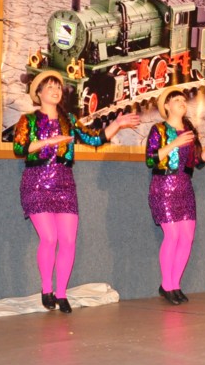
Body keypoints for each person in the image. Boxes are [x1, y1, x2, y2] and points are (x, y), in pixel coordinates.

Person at [13, 70, 140, 313]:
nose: (55, 90)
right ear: (38, 93)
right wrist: (48, 142)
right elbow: (20, 148)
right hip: (37, 183)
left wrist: (117, 124)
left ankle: (61, 293)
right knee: (49, 238)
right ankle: (46, 289)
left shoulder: (69, 120)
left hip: (64, 183)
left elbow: (94, 139)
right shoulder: (28, 120)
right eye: (50, 86)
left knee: (69, 240)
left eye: (58, 87)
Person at [146, 87, 205, 305]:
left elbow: (196, 161)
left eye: (183, 99)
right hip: (164, 186)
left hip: (185, 187)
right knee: (172, 236)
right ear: (167, 106)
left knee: (187, 237)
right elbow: (151, 159)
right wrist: (174, 144)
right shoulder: (158, 129)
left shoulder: (189, 131)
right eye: (176, 99)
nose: (181, 102)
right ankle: (166, 285)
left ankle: (175, 284)